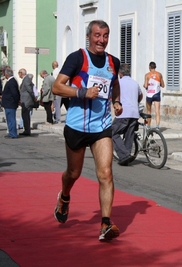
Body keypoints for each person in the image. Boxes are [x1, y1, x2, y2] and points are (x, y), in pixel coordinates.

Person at [52, 20, 122, 241]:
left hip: (101, 126)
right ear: (89, 37)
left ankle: (105, 224)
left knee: (106, 174)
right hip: (76, 125)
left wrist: (117, 101)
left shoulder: (113, 62)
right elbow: (57, 86)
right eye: (97, 35)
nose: (101, 40)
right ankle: (64, 196)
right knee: (74, 173)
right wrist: (82, 92)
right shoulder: (77, 58)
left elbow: (114, 84)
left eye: (105, 35)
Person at [112, 63, 143, 166]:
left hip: (123, 112)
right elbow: (140, 95)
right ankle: (126, 156)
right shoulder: (135, 83)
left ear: (120, 73)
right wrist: (135, 102)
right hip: (134, 112)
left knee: (112, 132)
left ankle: (124, 155)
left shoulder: (119, 83)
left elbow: (114, 95)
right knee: (129, 134)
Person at [143, 61, 164, 130]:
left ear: (149, 67)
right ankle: (157, 126)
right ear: (155, 67)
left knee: (149, 111)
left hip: (149, 94)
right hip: (157, 94)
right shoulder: (159, 74)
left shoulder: (147, 75)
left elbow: (145, 85)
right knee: (157, 111)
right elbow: (163, 85)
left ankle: (148, 126)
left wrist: (145, 85)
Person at [1, 67, 20, 138]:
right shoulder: (11, 81)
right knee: (9, 119)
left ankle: (13, 133)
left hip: (10, 104)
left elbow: (14, 93)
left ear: (6, 74)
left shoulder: (11, 81)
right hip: (8, 103)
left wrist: (16, 101)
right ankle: (11, 132)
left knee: (11, 119)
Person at [18, 68, 35, 136]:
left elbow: (30, 89)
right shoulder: (26, 79)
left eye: (19, 73)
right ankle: (27, 130)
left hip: (26, 101)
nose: (18, 74)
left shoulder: (26, 79)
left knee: (25, 116)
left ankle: (27, 130)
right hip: (25, 100)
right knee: (25, 116)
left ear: (21, 73)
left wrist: (33, 97)